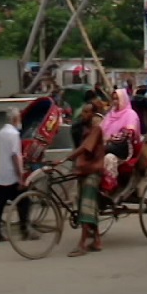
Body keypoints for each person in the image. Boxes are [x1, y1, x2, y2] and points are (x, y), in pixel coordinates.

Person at [62, 103, 105, 256]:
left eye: (87, 112)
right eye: (83, 112)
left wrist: (66, 158)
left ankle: (82, 244)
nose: (83, 115)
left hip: (94, 171)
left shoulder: (96, 129)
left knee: (86, 205)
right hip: (84, 170)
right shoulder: (84, 130)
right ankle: (97, 240)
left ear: (93, 114)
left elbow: (86, 147)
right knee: (84, 205)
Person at [0, 107, 30, 243]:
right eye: (19, 118)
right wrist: (20, 177)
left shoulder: (1, 132)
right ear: (15, 119)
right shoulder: (14, 134)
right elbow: (15, 156)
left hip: (1, 174)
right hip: (11, 175)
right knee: (24, 200)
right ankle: (25, 230)